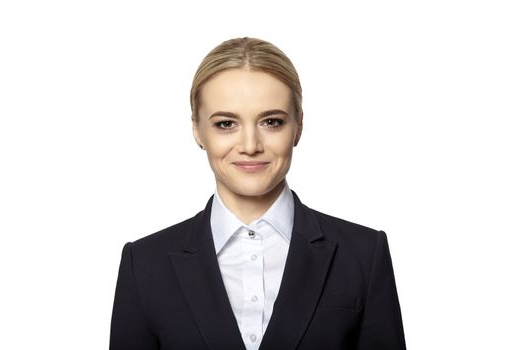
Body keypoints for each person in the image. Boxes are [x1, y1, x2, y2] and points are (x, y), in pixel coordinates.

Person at [109, 37, 406, 350]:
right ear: (197, 129)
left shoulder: (362, 255)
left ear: (298, 127)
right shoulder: (144, 265)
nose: (250, 145)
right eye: (226, 123)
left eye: (272, 122)